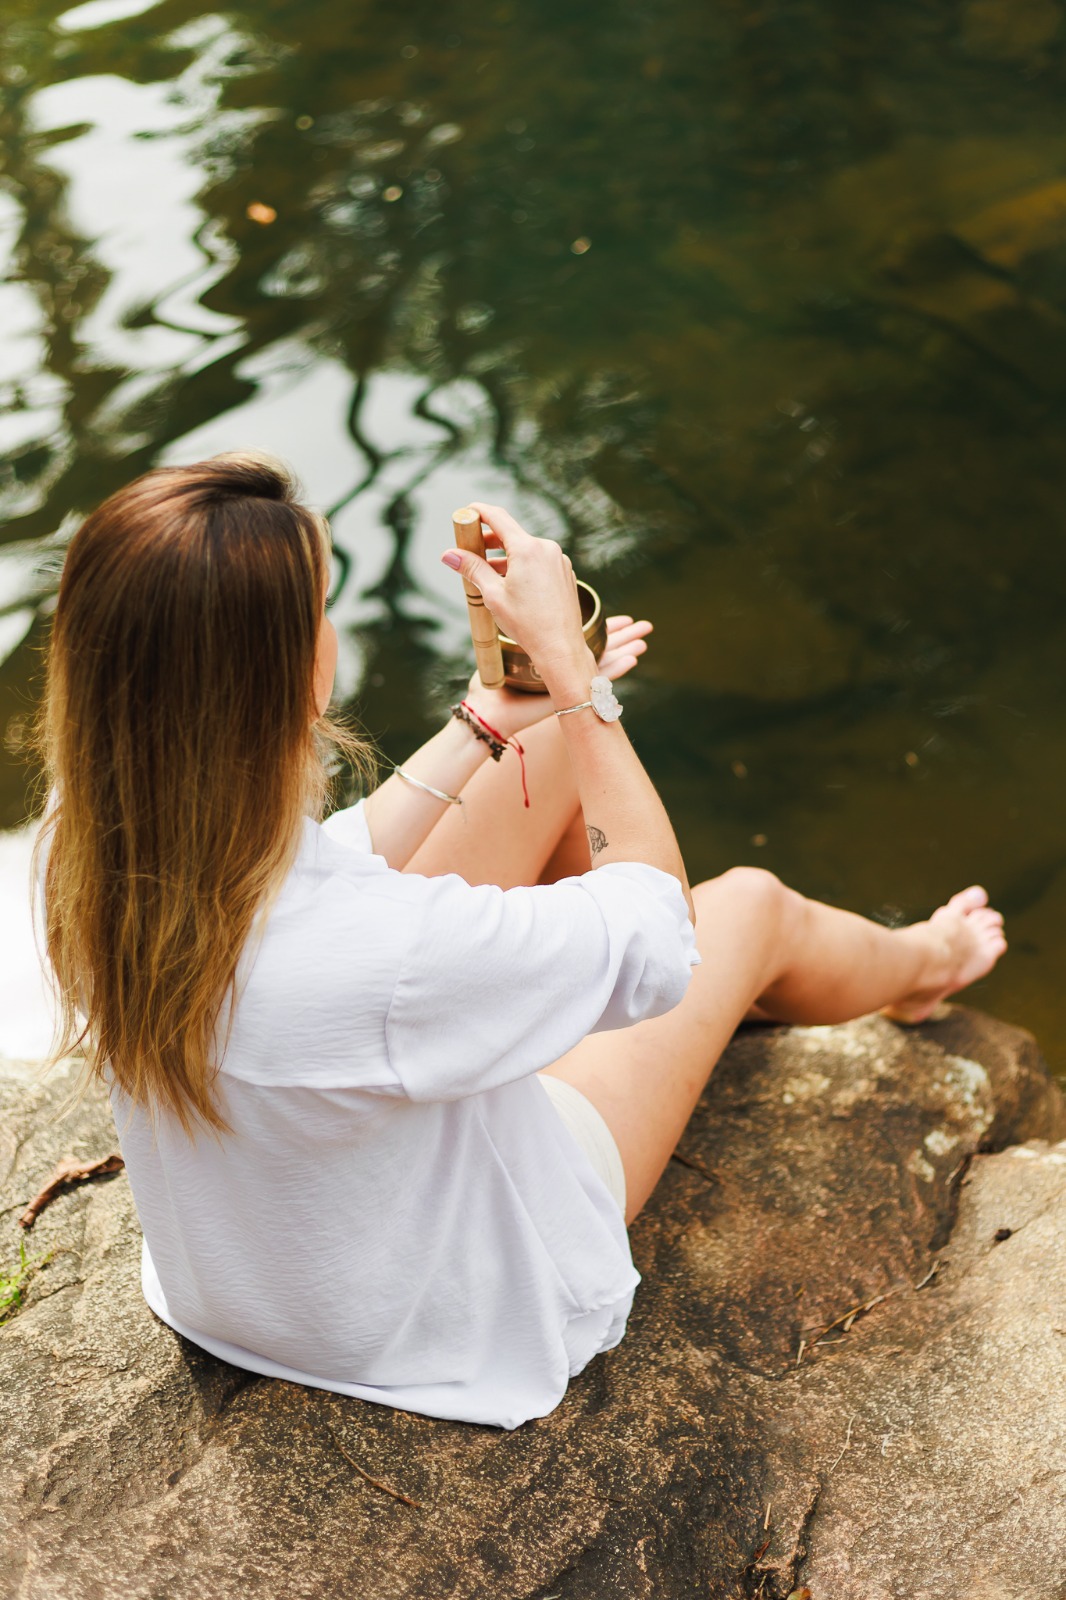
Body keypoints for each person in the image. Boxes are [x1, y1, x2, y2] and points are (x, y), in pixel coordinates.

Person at [30, 454, 1007, 1430]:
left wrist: (490, 716)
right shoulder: (385, 950)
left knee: (533, 747)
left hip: (236, 1286)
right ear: (298, 669)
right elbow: (666, 936)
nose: (328, 628)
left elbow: (329, 861)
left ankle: (569, 971)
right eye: (320, 606)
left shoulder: (93, 845)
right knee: (747, 907)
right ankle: (930, 964)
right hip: (441, 1309)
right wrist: (582, 689)